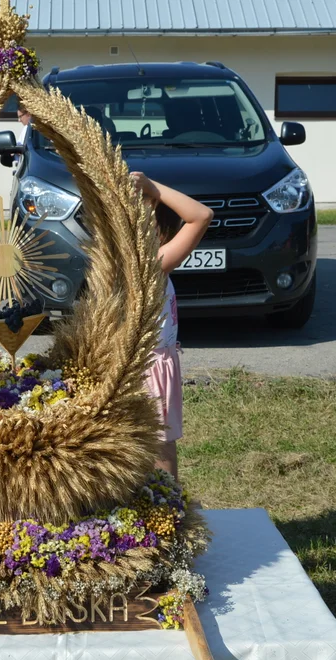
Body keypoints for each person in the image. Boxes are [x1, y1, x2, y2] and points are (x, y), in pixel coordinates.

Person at [130, 171, 213, 481]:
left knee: (157, 448)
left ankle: (166, 504)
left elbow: (201, 215)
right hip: (144, 364)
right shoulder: (145, 264)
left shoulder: (150, 260)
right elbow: (201, 216)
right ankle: (163, 503)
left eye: (144, 209)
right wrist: (151, 189)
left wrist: (152, 189)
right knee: (154, 448)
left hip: (152, 364)